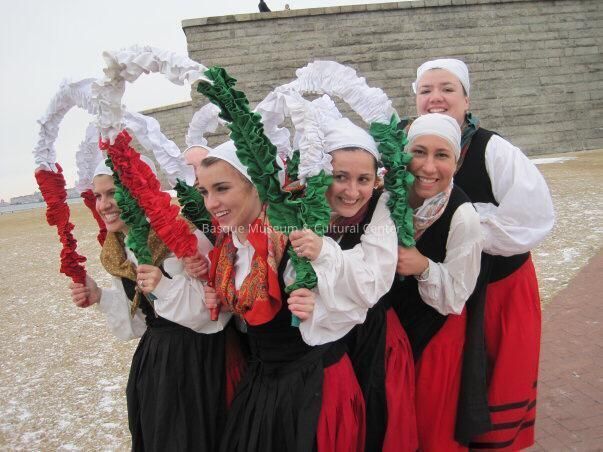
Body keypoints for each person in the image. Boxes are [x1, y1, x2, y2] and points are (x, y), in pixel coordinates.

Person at [413, 58, 555, 450]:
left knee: (493, 377)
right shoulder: (408, 147)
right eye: (426, 90)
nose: (436, 97)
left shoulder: (494, 150)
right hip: (440, 287)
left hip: (497, 286)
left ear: (466, 99)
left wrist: (463, 227)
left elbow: (533, 218)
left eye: (447, 89)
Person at [195, 141, 366, 452]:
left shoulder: (295, 238)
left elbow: (354, 295)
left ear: (255, 186)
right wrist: (218, 295)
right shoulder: (228, 245)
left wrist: (320, 305)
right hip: (263, 379)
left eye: (222, 188)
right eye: (205, 192)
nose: (211, 203)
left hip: (312, 385)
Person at [69, 157, 236, 451]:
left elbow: (214, 314)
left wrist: (163, 285)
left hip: (200, 360)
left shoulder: (180, 235)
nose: (104, 205)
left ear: (136, 192)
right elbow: (141, 320)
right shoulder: (119, 246)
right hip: (157, 361)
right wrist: (101, 297)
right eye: (98, 196)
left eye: (112, 193)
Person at [287, 117, 418, 451]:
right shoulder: (298, 206)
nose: (352, 191)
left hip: (369, 336)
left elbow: (372, 281)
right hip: (311, 352)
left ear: (376, 180)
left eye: (363, 179)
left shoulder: (380, 209)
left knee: (371, 420)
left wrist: (324, 253)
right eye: (340, 176)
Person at [384, 113, 484, 451]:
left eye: (441, 155)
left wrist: (423, 265)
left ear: (456, 163)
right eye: (418, 152)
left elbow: (456, 295)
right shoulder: (388, 195)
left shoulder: (463, 216)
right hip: (390, 330)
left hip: (436, 334)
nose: (428, 167)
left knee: (428, 424)